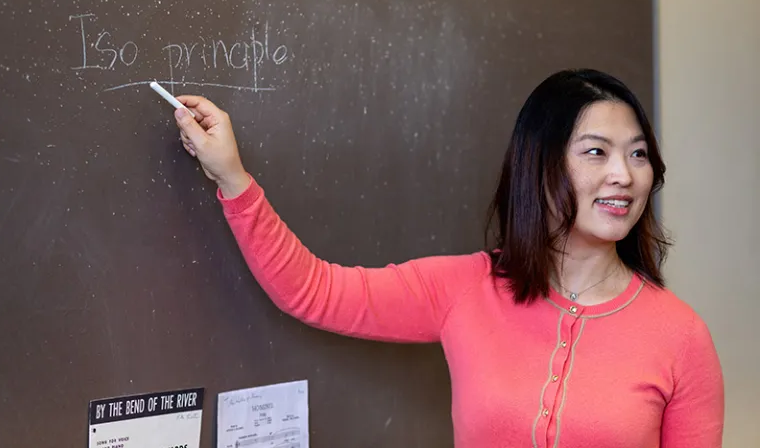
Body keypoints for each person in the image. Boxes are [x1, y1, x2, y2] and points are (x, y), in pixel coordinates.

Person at [170, 69, 724, 447]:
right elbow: (312, 290)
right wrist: (232, 177)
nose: (623, 175)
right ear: (540, 165)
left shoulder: (680, 337)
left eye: (639, 155)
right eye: (596, 152)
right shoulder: (467, 289)